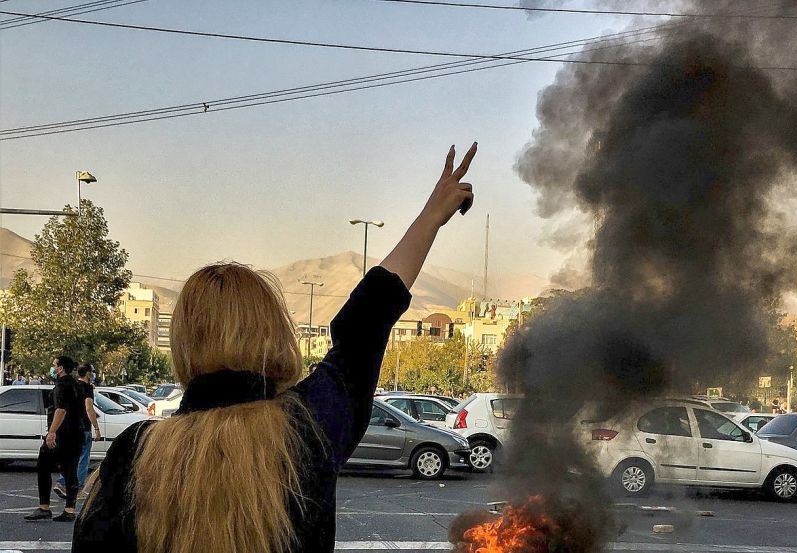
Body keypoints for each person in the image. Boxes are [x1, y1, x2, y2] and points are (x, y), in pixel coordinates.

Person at [74, 143, 478, 552]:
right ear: (273, 332)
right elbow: (364, 324)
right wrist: (430, 218)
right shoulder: (308, 428)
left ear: (183, 342)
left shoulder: (135, 454)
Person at [24, 356, 86, 522]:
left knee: (43, 465)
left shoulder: (61, 386)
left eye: (54, 365)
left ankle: (44, 507)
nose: (52, 368)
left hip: (62, 435)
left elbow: (61, 410)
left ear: (60, 368)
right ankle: (69, 510)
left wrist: (51, 432)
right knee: (70, 471)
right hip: (76, 434)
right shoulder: (77, 385)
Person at [54, 363, 101, 500]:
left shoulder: (73, 385)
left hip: (70, 426)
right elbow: (88, 407)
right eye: (91, 372)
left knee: (70, 457)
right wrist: (96, 427)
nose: (92, 374)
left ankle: (62, 482)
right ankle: (78, 488)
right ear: (87, 373)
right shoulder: (87, 388)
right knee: (83, 458)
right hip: (83, 428)